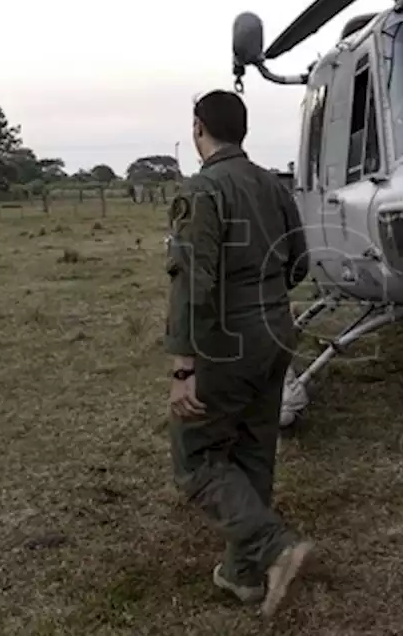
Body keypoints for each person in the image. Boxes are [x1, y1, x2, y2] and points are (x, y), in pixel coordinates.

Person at [163, 89, 312, 618]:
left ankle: (274, 547)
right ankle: (245, 575)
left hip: (228, 340)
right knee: (253, 450)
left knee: (197, 459)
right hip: (276, 331)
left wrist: (184, 366)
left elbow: (192, 285)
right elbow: (302, 262)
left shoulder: (202, 190)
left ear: (198, 127)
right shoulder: (273, 184)